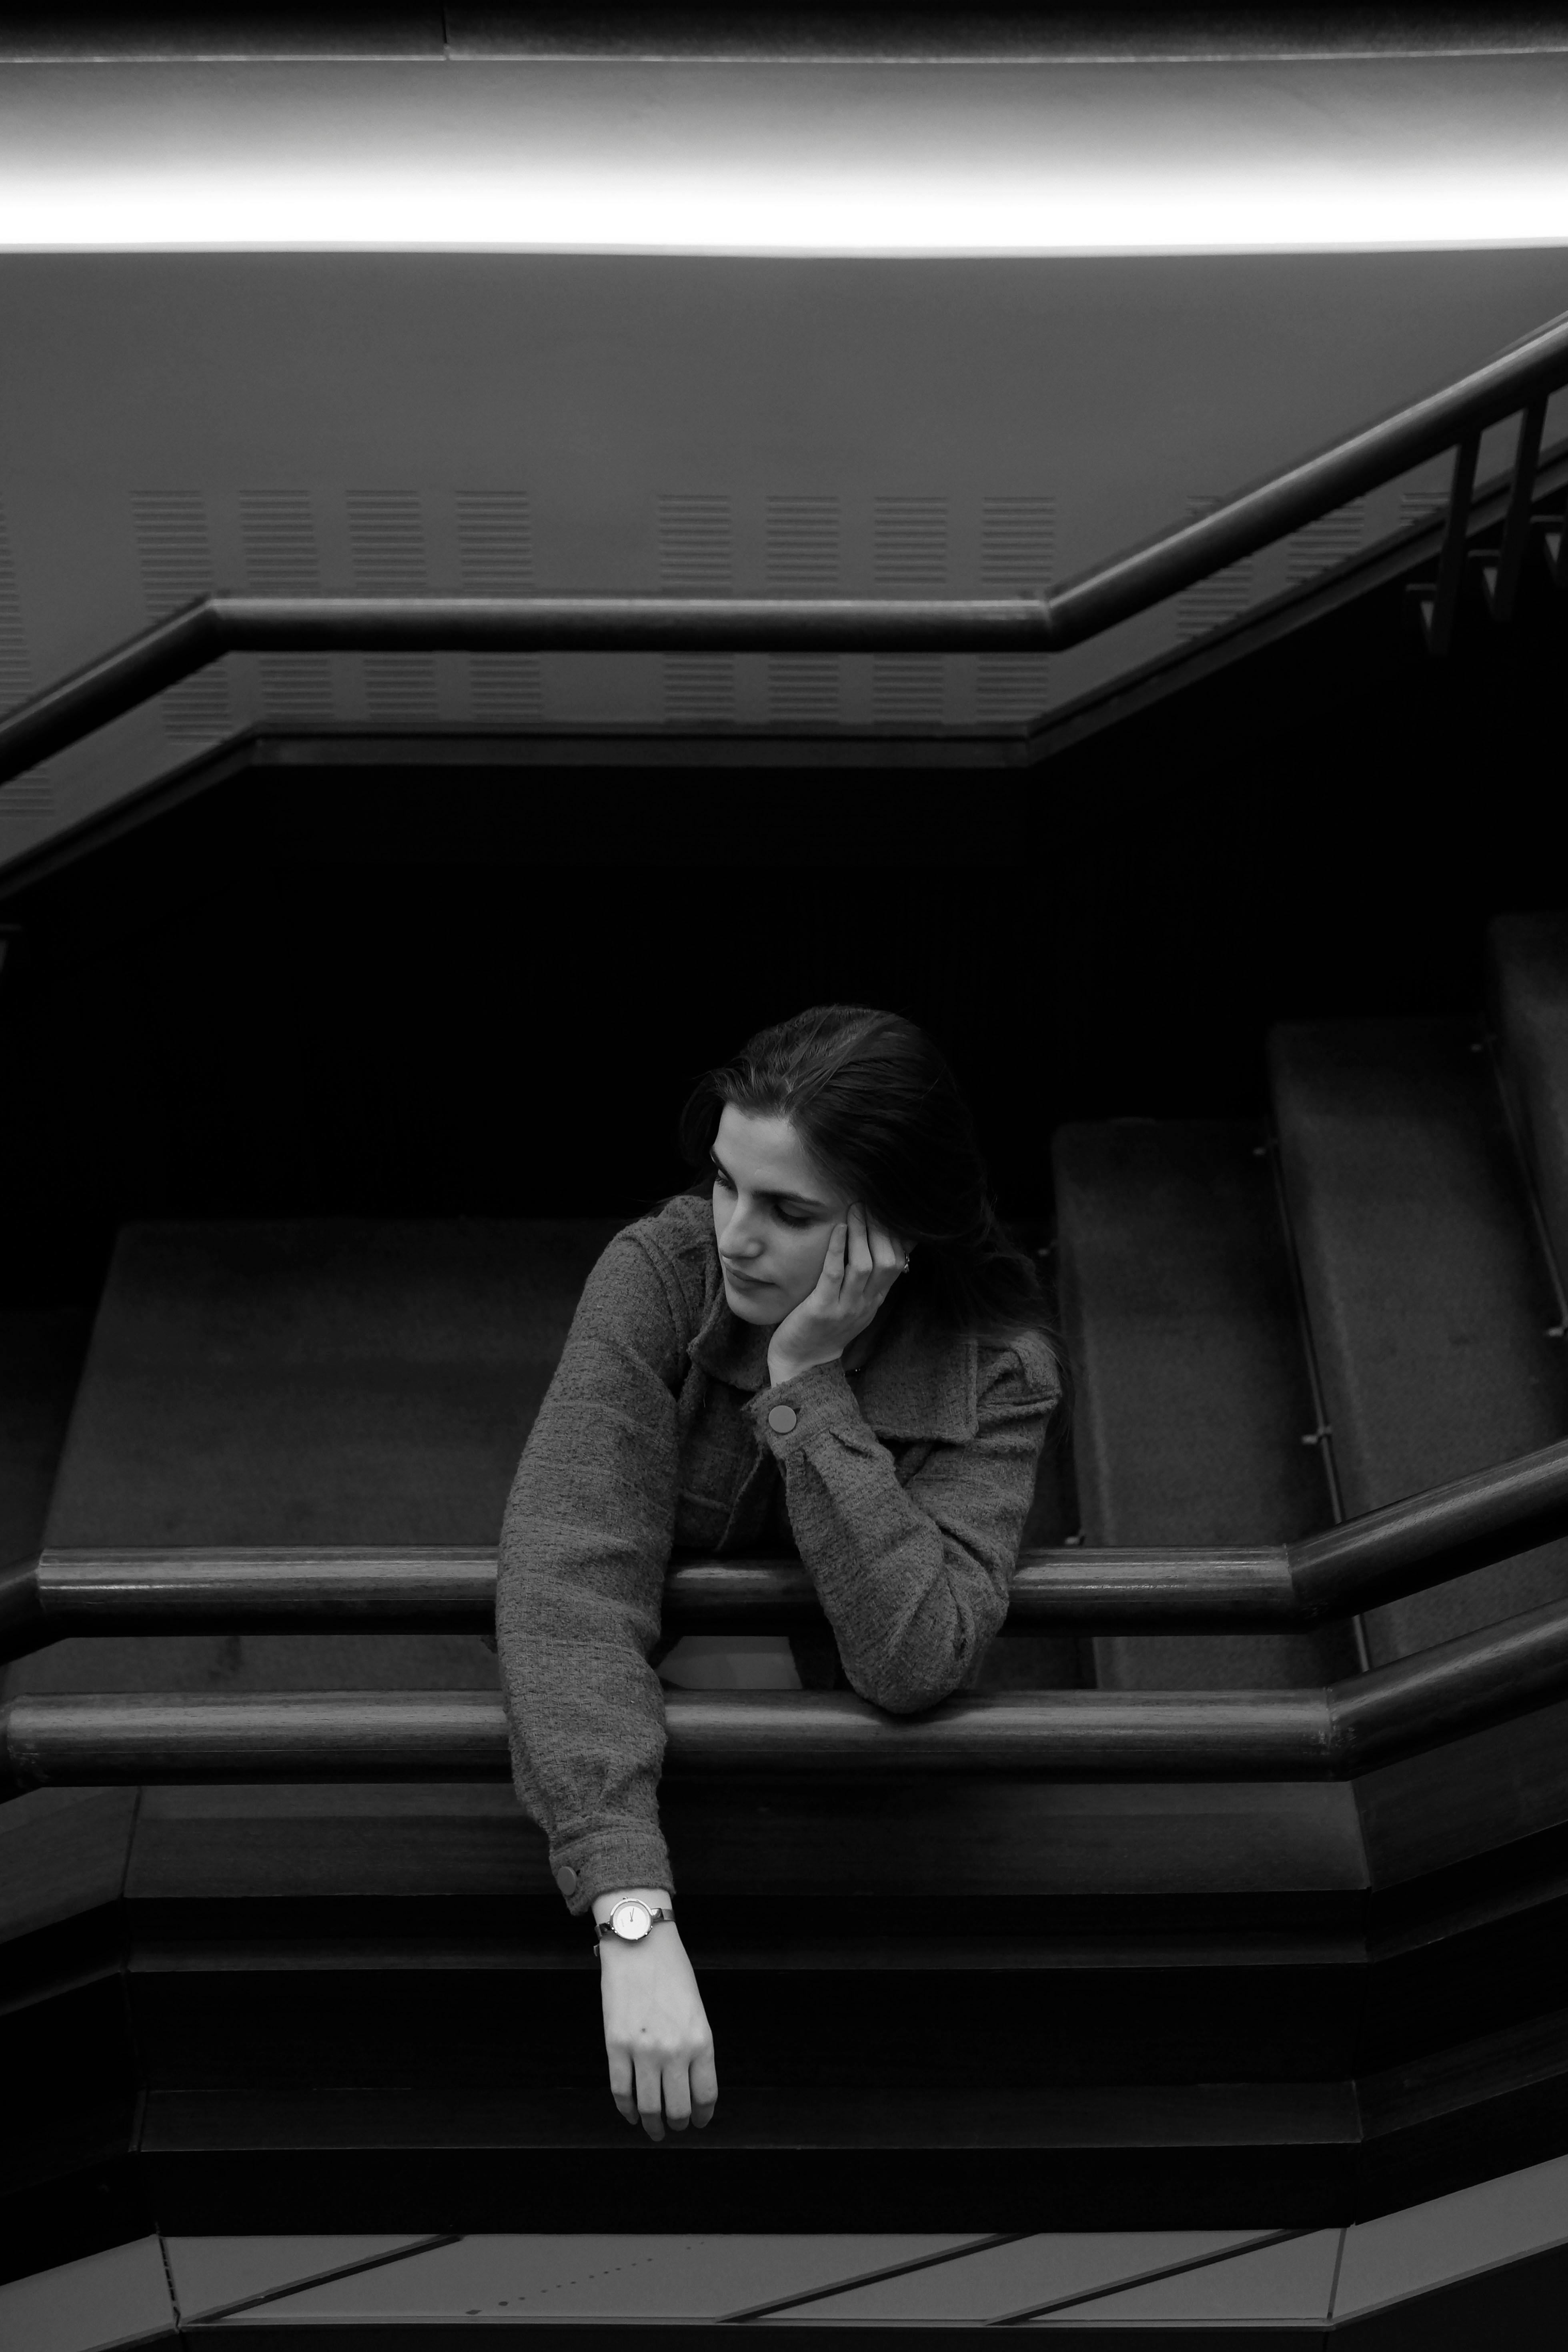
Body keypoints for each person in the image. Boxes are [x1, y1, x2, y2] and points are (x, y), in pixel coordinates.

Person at [495, 1004, 1066, 2145]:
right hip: (621, 1795)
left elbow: (916, 1654)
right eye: (725, 1183)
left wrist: (807, 1384)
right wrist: (629, 1908)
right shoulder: (662, 1274)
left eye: (790, 1212)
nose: (736, 1236)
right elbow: (569, 1576)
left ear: (896, 1229)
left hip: (858, 1837)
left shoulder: (997, 1371)